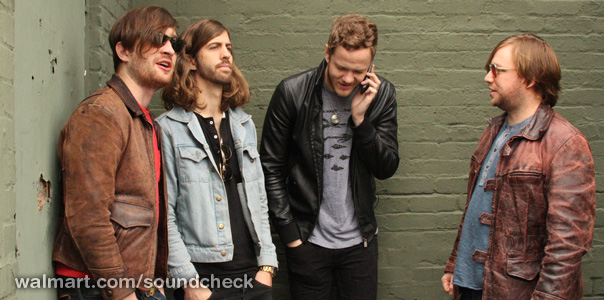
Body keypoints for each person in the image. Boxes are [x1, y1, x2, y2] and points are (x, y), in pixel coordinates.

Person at [441, 34, 596, 300]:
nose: (488, 78)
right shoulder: (494, 130)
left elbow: (567, 244)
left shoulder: (565, 143)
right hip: (472, 286)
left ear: (529, 77)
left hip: (514, 292)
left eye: (496, 70)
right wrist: (456, 263)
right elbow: (477, 208)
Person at [260, 14, 399, 300]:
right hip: (308, 242)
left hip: (360, 244)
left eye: (359, 71)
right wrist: (291, 236)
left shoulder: (382, 95)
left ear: (371, 66)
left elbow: (386, 167)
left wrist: (361, 120)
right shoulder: (292, 93)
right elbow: (270, 167)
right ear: (327, 53)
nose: (348, 78)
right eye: (341, 68)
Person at [52, 6, 183, 300]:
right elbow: (88, 218)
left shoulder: (146, 122)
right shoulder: (100, 114)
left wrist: (153, 280)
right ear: (123, 51)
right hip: (99, 288)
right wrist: (122, 293)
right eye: (157, 39)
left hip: (137, 284)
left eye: (175, 43)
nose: (170, 50)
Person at [157, 19, 278, 300]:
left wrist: (267, 266)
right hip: (204, 279)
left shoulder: (243, 124)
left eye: (228, 47)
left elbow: (259, 197)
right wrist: (189, 282)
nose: (226, 54)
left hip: (253, 276)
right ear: (191, 59)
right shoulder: (169, 129)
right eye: (214, 47)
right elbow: (166, 214)